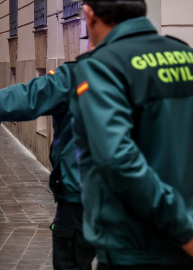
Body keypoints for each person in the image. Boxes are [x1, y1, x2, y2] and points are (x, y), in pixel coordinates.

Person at [0, 52, 96, 269]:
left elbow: (26, 97)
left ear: (92, 18)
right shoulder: (157, 66)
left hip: (83, 198)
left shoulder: (79, 76)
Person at [69, 0, 193, 268]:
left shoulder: (101, 67)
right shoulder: (185, 55)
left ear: (90, 14)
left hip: (135, 247)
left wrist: (183, 230)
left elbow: (118, 160)